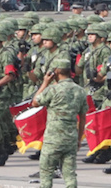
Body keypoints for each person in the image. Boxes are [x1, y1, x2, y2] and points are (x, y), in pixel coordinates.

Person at [32, 56, 89, 188]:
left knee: (46, 172)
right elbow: (83, 118)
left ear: (56, 72)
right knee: (69, 174)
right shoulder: (80, 91)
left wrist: (45, 82)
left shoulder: (53, 90)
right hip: (71, 138)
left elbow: (35, 102)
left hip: (53, 138)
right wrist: (79, 139)